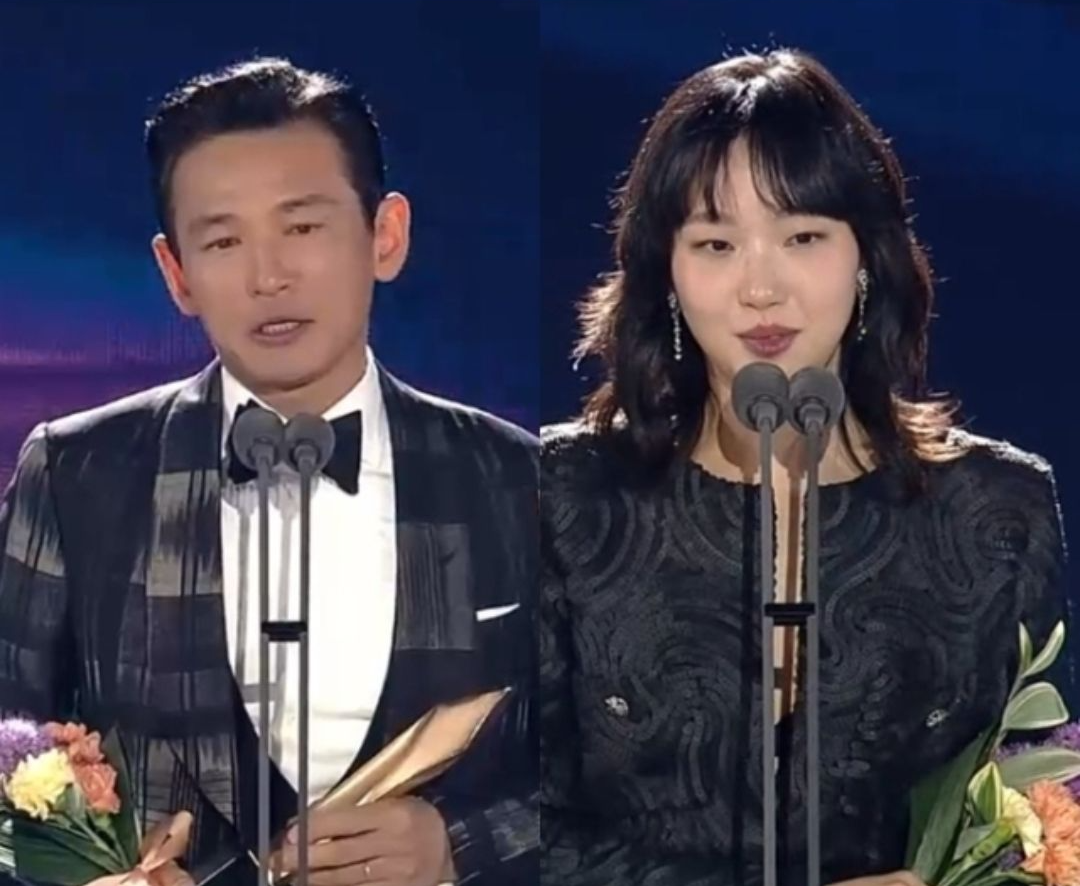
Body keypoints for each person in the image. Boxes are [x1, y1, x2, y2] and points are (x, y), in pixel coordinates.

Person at [0, 58, 537, 886]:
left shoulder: (517, 479)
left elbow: (613, 774)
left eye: (303, 227)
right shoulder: (78, 474)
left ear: (385, 235)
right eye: (223, 241)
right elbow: (9, 746)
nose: (268, 276)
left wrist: (459, 848)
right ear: (177, 273)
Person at [540, 49, 1071, 886]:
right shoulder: (566, 492)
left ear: (867, 257)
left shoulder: (999, 512)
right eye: (716, 243)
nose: (761, 288)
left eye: (803, 237)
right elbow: (511, 821)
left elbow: (1048, 816)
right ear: (666, 272)